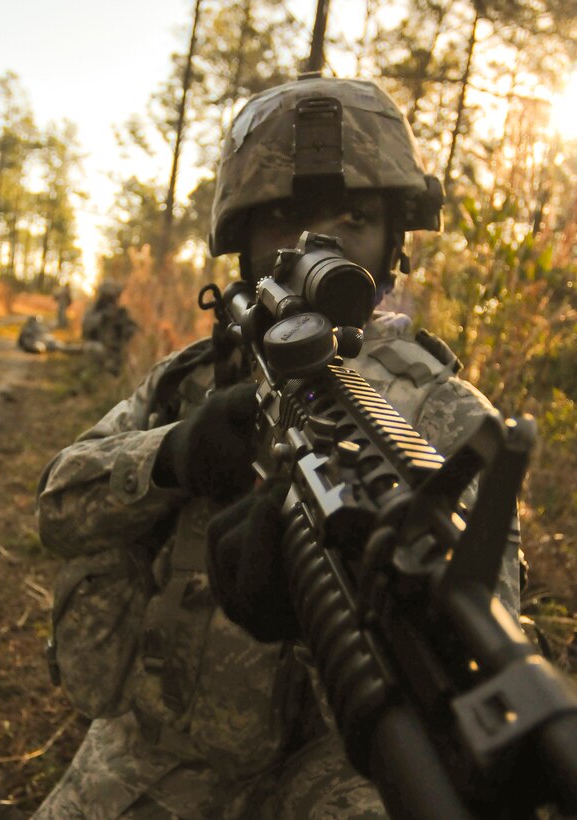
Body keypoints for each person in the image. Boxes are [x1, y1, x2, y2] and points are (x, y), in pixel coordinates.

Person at [34, 75, 520, 819]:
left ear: (393, 243)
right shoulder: (191, 380)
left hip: (343, 773)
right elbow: (57, 508)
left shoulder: (445, 421)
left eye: (353, 219)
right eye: (284, 221)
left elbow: (481, 673)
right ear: (242, 242)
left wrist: (338, 607)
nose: (313, 248)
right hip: (160, 752)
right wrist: (171, 456)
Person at [81, 279, 138, 375]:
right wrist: (103, 318)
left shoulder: (119, 312)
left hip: (116, 352)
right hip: (98, 348)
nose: (114, 300)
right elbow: (87, 328)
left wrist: (127, 328)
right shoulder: (94, 311)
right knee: (95, 350)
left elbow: (131, 328)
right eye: (111, 297)